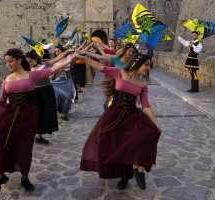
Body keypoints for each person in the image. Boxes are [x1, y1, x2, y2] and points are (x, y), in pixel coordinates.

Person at [0, 48, 72, 195]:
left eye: (10, 61)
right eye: (6, 62)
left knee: (24, 149)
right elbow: (1, 99)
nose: (8, 64)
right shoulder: (7, 79)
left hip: (28, 117)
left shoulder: (32, 75)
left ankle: (24, 177)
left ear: (19, 60)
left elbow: (53, 68)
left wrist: (70, 59)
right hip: (9, 117)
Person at [72, 52, 161, 191]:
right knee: (111, 145)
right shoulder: (119, 72)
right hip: (113, 115)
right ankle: (118, 172)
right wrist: (84, 58)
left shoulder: (143, 86)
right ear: (137, 63)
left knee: (144, 137)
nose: (148, 68)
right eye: (146, 64)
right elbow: (100, 67)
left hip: (132, 117)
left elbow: (146, 105)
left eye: (149, 65)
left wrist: (156, 123)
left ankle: (137, 172)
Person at [79, 43, 136, 109]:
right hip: (115, 85)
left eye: (132, 52)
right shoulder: (116, 59)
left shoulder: (132, 62)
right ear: (125, 50)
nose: (131, 53)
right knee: (109, 104)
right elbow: (100, 57)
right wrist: (87, 52)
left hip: (127, 87)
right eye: (129, 51)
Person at [25, 50, 58, 144]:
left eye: (30, 61)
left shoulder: (44, 65)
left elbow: (56, 59)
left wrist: (67, 52)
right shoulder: (27, 69)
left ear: (35, 59)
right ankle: (31, 135)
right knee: (35, 114)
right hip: (35, 93)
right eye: (27, 62)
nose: (29, 63)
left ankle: (39, 136)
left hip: (47, 91)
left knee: (46, 113)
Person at [51, 46, 76, 121]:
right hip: (57, 81)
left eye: (58, 51)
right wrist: (48, 79)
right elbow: (52, 73)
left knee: (68, 97)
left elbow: (77, 53)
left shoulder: (68, 57)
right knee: (57, 97)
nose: (57, 53)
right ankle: (61, 111)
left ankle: (65, 112)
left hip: (67, 80)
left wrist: (72, 50)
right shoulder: (55, 61)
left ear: (62, 51)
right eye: (56, 51)